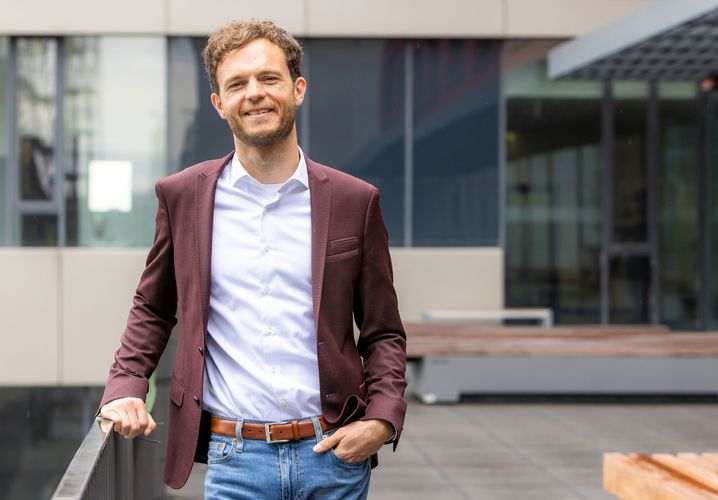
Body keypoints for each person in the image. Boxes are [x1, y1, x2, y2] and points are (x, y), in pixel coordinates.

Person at [98, 19, 407, 499]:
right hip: (234, 459)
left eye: (269, 78)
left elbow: (382, 331)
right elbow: (154, 307)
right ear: (219, 104)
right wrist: (125, 388)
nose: (255, 93)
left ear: (297, 89)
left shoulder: (355, 200)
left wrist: (382, 420)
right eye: (237, 84)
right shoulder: (183, 197)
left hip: (335, 456)